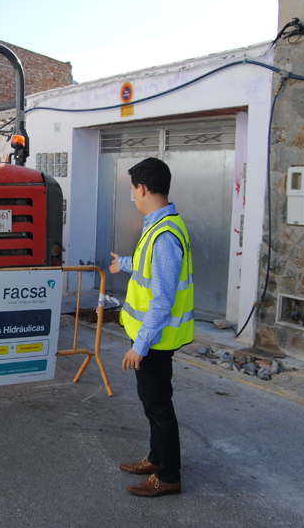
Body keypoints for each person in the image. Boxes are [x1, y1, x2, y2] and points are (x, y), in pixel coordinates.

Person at [108, 157, 194, 498]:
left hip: (155, 342)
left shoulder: (165, 234)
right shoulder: (160, 224)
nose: (132, 195)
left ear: (142, 188)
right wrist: (124, 264)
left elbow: (162, 299)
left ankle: (169, 476)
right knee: (153, 403)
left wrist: (139, 346)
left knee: (159, 407)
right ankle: (157, 459)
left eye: (132, 189)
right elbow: (151, 267)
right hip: (151, 339)